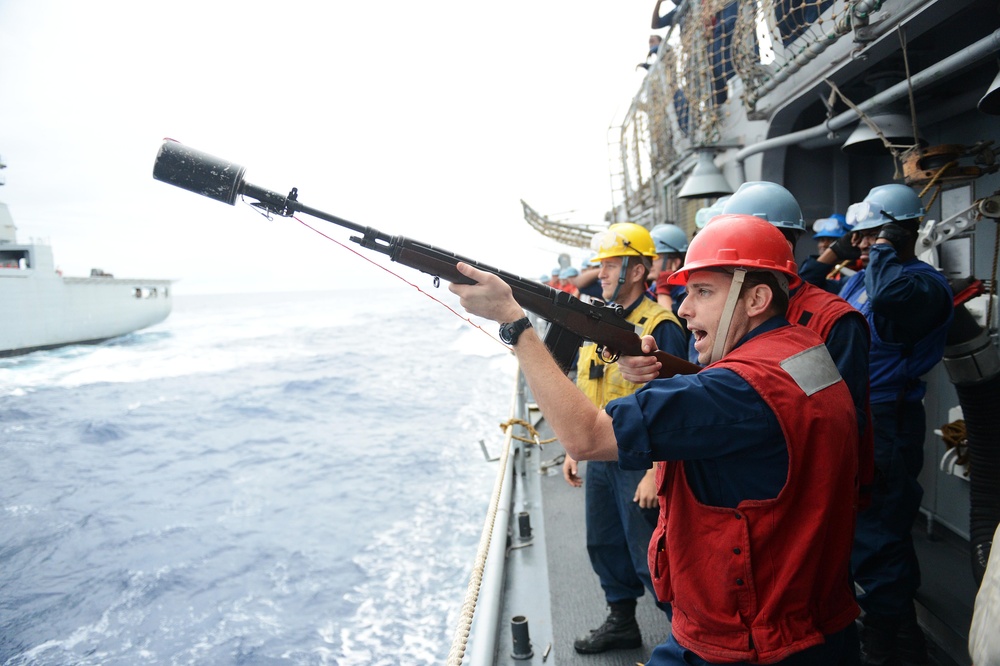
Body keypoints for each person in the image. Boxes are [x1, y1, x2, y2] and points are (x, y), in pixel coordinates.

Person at [449, 214, 862, 665]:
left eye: (703, 292)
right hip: (812, 614)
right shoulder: (804, 349)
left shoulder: (735, 390)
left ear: (757, 298)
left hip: (746, 639)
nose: (684, 309)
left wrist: (515, 324)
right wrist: (672, 373)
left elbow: (586, 437)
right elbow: (763, 407)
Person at [802, 183, 955, 665]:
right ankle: (884, 628)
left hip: (889, 418)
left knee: (881, 531)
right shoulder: (861, 277)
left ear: (901, 230)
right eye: (861, 236)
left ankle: (897, 640)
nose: (865, 244)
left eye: (874, 233)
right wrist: (836, 252)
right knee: (851, 525)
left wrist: (886, 245)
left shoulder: (920, 284)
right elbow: (808, 297)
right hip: (853, 411)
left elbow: (890, 303)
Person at [564, 222, 686, 654]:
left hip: (639, 460)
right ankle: (622, 621)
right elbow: (587, 383)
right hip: (601, 455)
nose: (603, 274)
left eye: (613, 265)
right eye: (603, 266)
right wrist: (573, 446)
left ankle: (686, 639)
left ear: (638, 270)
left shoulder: (660, 325)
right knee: (605, 541)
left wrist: (657, 471)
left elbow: (678, 405)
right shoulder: (600, 322)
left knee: (651, 554)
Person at [720, 183, 872, 477]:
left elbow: (839, 423)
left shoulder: (832, 319)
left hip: (802, 479)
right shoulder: (728, 311)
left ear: (783, 246)